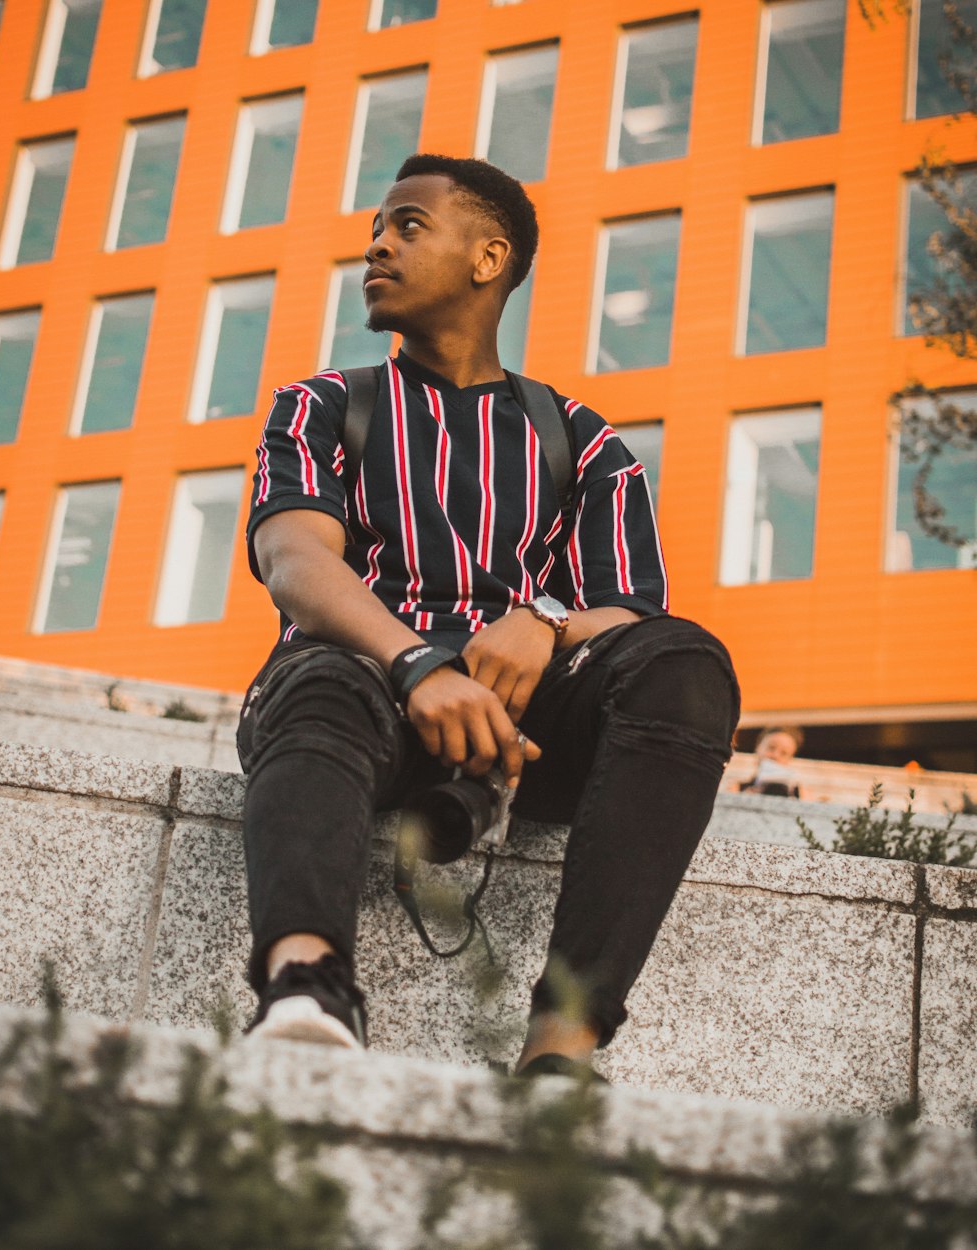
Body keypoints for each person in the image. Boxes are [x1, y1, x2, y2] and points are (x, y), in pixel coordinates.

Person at [237, 153, 740, 1078]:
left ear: (488, 257)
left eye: (407, 225)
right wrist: (416, 664)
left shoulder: (584, 440)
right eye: (374, 231)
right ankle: (305, 988)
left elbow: (627, 607)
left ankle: (563, 1047)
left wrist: (543, 620)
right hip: (352, 706)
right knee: (320, 672)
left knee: (686, 665)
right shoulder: (320, 406)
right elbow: (295, 560)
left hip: (521, 738)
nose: (376, 245)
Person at [738, 726, 804, 798]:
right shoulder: (737, 790)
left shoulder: (800, 795)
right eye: (771, 748)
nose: (775, 756)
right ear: (758, 748)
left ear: (790, 760)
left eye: (784, 753)